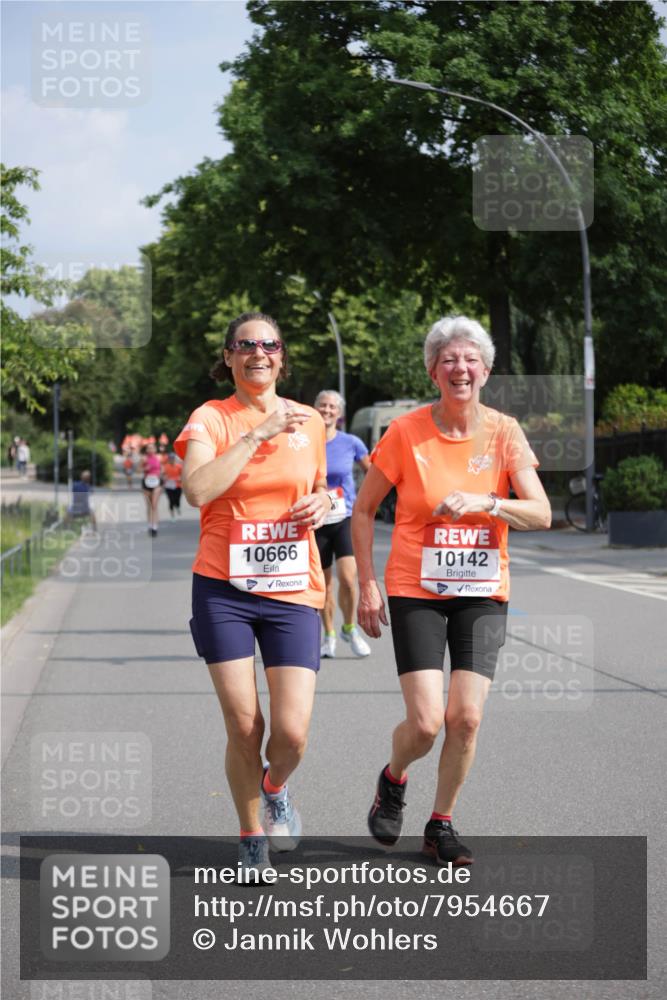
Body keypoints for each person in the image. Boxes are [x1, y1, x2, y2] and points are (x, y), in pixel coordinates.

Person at [352, 316, 551, 866]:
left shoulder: (505, 432)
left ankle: (440, 823)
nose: (459, 368)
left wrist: (487, 501)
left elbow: (541, 512)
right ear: (432, 371)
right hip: (416, 586)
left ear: (485, 371)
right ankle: (393, 779)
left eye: (469, 360)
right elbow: (364, 509)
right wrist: (367, 584)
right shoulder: (405, 432)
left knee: (465, 717)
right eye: (448, 360)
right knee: (425, 723)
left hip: (483, 589)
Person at [175, 312, 334, 877]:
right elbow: (197, 489)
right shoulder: (211, 418)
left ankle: (276, 787)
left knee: (291, 732)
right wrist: (256, 435)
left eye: (269, 344)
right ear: (229, 358)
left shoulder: (311, 420)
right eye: (246, 345)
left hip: (293, 587)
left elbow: (320, 491)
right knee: (245, 726)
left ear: (282, 357)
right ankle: (250, 836)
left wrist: (325, 503)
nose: (258, 353)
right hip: (224, 588)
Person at [313, 389, 371, 658]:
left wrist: (366, 504)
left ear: (339, 413)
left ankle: (349, 627)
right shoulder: (305, 442)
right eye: (322, 405)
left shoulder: (351, 442)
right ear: (315, 409)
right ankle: (329, 636)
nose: (327, 410)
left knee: (348, 579)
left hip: (344, 517)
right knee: (324, 585)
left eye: (332, 407)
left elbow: (374, 472)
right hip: (316, 519)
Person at [141, 442, 163, 537]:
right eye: (148, 448)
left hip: (157, 482)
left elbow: (163, 468)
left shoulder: (159, 457)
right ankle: (150, 525)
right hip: (146, 482)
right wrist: (145, 468)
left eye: (152, 448)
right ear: (146, 450)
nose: (150, 450)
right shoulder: (144, 458)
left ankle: (155, 527)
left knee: (154, 505)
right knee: (149, 505)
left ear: (155, 449)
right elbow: (138, 469)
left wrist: (161, 473)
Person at [162, 452, 183, 516]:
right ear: (168, 459)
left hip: (177, 485)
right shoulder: (166, 467)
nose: (172, 460)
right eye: (170, 458)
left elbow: (182, 475)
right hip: (169, 486)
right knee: (171, 499)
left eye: (173, 458)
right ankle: (172, 513)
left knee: (177, 499)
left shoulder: (179, 466)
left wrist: (180, 478)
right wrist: (164, 478)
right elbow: (162, 475)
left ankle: (177, 506)